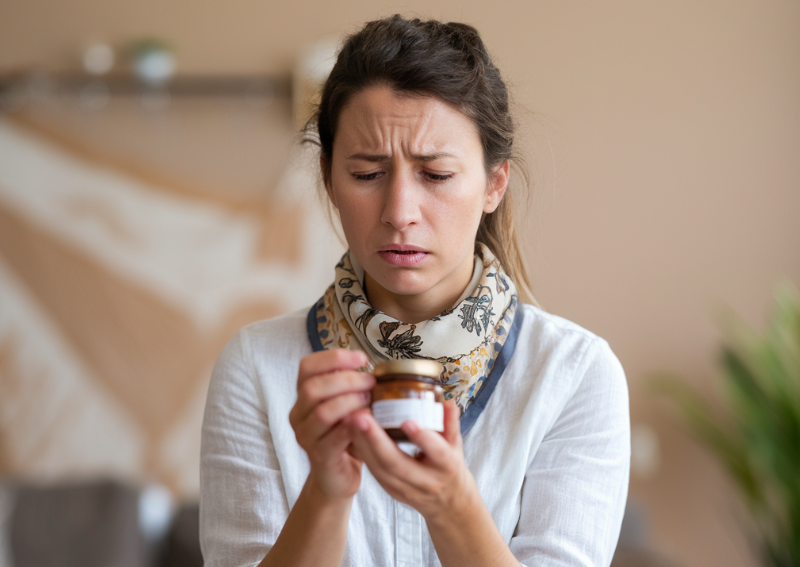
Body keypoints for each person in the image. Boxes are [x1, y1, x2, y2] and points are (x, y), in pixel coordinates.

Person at [200, 14, 630, 567]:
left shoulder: (575, 375)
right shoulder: (257, 366)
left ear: (493, 184)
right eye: (367, 174)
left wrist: (453, 506)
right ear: (329, 179)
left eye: (436, 174)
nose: (400, 214)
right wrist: (326, 494)